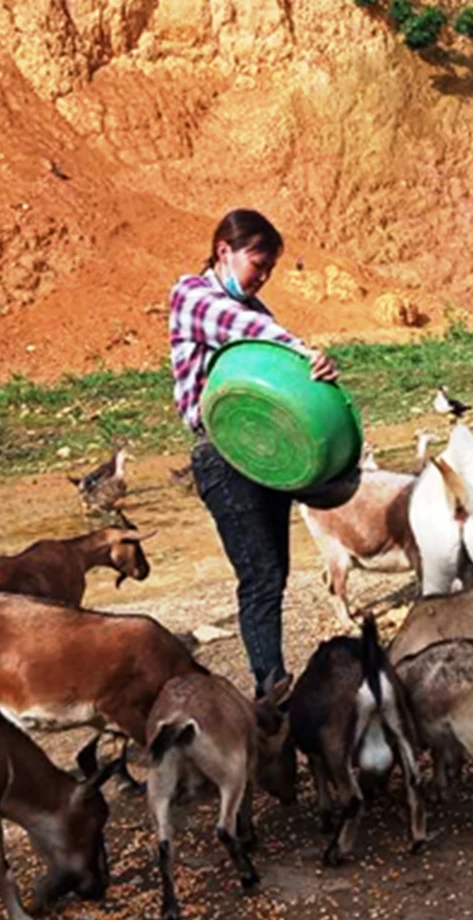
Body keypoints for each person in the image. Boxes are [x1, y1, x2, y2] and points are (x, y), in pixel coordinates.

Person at [168, 209, 337, 693]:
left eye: (269, 270)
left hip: (264, 452)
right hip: (222, 454)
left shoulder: (261, 311)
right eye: (257, 264)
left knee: (275, 574)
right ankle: (271, 692)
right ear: (224, 250)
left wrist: (316, 368)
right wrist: (302, 350)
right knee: (260, 575)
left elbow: (278, 363)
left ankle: (272, 684)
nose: (262, 277)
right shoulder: (192, 295)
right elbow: (239, 327)